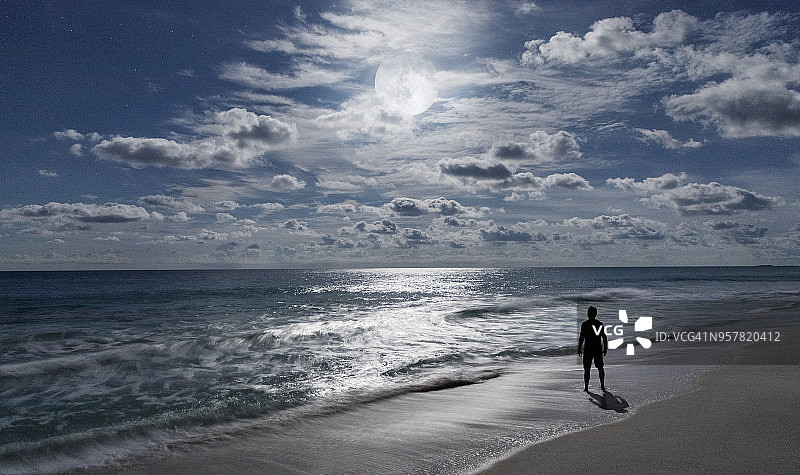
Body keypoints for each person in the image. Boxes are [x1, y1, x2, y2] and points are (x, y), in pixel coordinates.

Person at [578, 306, 607, 392]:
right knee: (600, 368)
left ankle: (586, 388)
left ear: (588, 314)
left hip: (588, 349)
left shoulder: (584, 324)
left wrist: (579, 348)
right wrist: (605, 348)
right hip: (597, 348)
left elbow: (581, 338)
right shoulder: (599, 324)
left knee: (587, 369)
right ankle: (602, 386)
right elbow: (604, 337)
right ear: (596, 314)